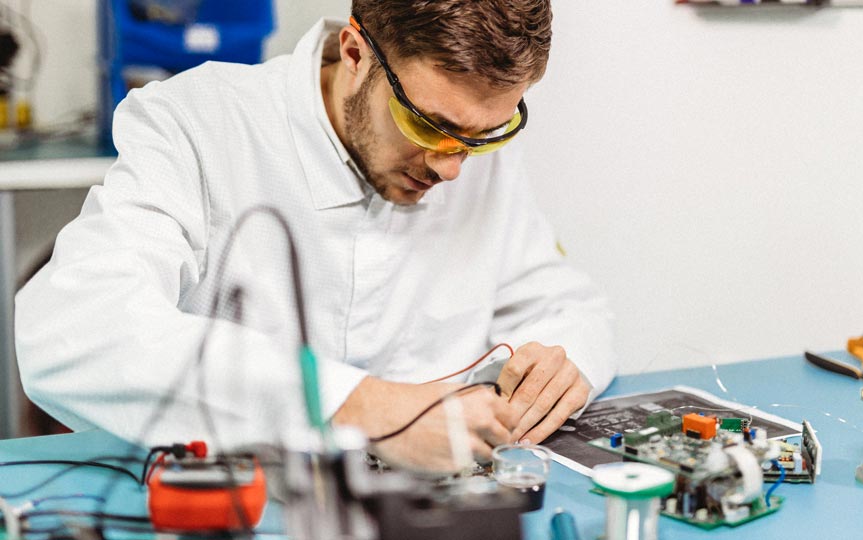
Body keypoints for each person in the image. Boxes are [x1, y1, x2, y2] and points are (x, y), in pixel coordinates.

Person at [15, 0, 615, 472]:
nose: (451, 167)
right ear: (355, 51)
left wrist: (565, 362)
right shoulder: (198, 123)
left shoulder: (467, 150)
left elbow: (566, 305)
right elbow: (74, 329)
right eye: (428, 124)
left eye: (488, 133)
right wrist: (360, 407)